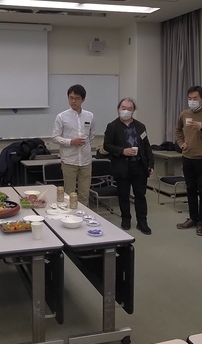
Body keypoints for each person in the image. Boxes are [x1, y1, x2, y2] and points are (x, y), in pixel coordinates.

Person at [103, 98, 154, 234]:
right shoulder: (112, 126)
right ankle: (125, 219)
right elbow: (107, 145)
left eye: (129, 109)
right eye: (123, 108)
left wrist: (151, 164)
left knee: (140, 195)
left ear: (133, 110)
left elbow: (147, 146)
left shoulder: (140, 126)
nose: (126, 111)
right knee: (123, 195)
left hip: (139, 166)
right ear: (118, 109)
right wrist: (122, 151)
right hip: (122, 166)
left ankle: (142, 222)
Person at [174, 86, 202, 236]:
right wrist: (180, 143)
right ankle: (192, 218)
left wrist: (201, 128)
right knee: (190, 189)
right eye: (190, 98)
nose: (192, 101)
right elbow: (178, 130)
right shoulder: (184, 114)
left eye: (195, 98)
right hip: (187, 157)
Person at [52, 84, 95, 205]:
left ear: (83, 99)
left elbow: (91, 135)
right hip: (69, 160)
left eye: (77, 98)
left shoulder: (89, 116)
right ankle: (69, 214)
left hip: (86, 160)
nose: (73, 101)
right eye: (71, 98)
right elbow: (55, 137)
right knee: (69, 193)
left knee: (84, 194)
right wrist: (71, 142)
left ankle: (82, 214)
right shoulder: (61, 117)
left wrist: (85, 145)